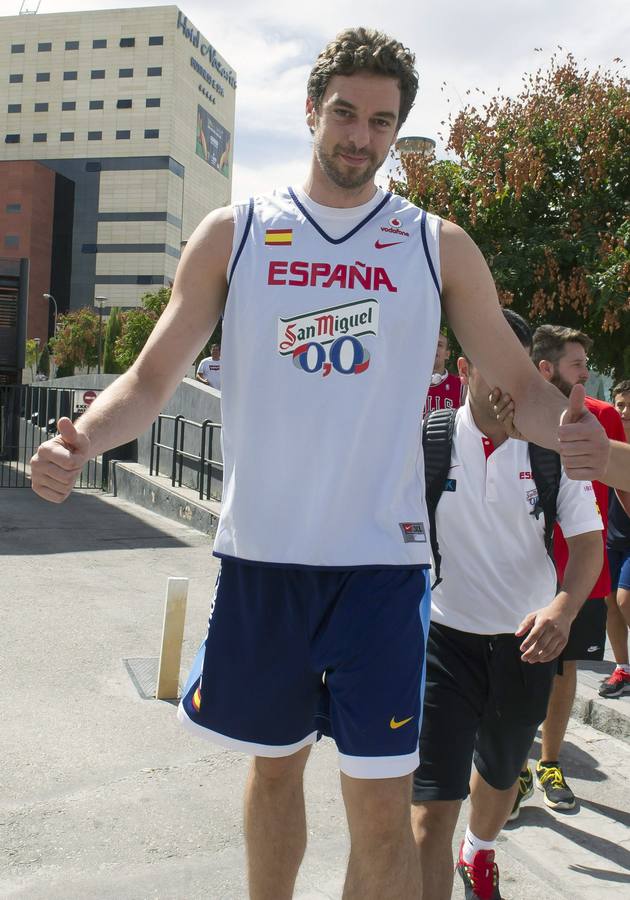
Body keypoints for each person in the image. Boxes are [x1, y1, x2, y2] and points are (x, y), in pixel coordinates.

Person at [29, 29, 601, 899]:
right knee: (271, 774)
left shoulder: (435, 246)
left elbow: (521, 390)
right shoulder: (238, 231)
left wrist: (593, 443)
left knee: (380, 808)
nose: (359, 138)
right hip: (265, 557)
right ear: (311, 111)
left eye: (381, 121)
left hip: (383, 567)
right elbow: (151, 379)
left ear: (397, 127)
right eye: (344, 113)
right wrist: (77, 442)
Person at [411, 310, 602, 900]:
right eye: (494, 369)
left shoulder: (552, 451)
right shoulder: (429, 441)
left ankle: (480, 850)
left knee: (498, 775)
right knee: (430, 809)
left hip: (527, 643)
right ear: (465, 368)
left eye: (519, 372)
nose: (507, 387)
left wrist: (563, 610)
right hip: (445, 641)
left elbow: (590, 547)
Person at [510, 325, 627, 813]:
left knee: (564, 667)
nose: (585, 373)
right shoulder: (513, 418)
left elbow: (622, 484)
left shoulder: (602, 418)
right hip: (523, 563)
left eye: (585, 363)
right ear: (546, 369)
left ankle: (550, 763)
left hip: (582, 566)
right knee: (512, 664)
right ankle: (511, 766)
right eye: (576, 365)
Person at [599, 380, 630, 697]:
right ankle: (623, 668)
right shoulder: (606, 442)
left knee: (625, 599)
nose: (624, 411)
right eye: (620, 404)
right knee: (611, 604)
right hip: (610, 537)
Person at [423, 331, 462, 416]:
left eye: (439, 345)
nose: (434, 347)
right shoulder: (411, 385)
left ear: (447, 354)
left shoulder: (460, 385)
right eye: (431, 343)